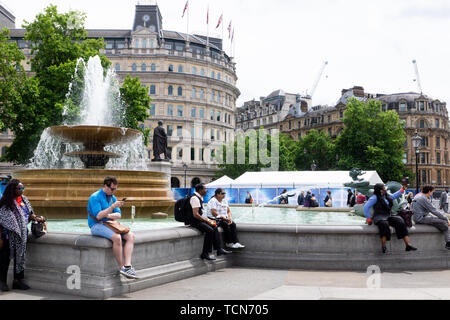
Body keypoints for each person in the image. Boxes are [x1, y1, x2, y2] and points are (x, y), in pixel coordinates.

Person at [87, 176, 137, 279]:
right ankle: (121, 267)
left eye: (115, 189)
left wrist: (108, 215)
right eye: (112, 189)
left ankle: (128, 266)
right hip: (96, 225)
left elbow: (119, 215)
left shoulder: (112, 197)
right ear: (105, 186)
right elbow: (98, 216)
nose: (113, 191)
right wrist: (112, 208)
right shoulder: (95, 197)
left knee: (131, 236)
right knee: (117, 237)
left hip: (109, 223)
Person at [0, 179, 44, 291]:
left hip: (22, 234)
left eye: (22, 188)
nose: (21, 190)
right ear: (12, 189)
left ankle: (17, 281)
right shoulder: (5, 202)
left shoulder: (24, 200)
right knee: (5, 259)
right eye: (19, 188)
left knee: (20, 258)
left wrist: (37, 218)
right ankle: (2, 282)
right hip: (7, 234)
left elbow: (29, 215)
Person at [363, 183, 417, 254]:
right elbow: (366, 207)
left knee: (400, 221)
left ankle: (408, 245)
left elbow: (394, 196)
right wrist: (369, 219)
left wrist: (403, 189)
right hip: (379, 216)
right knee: (384, 225)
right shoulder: (374, 197)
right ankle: (383, 246)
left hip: (389, 214)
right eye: (384, 188)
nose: (385, 189)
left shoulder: (387, 195)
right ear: (380, 190)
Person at [189, 183, 231, 260]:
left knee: (214, 226)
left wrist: (208, 220)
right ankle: (205, 253)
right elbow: (195, 214)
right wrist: (206, 220)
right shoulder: (195, 198)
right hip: (194, 221)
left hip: (199, 220)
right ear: (200, 190)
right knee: (209, 230)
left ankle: (219, 249)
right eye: (205, 189)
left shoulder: (199, 198)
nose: (206, 190)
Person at [412, 185, 450, 250]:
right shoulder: (423, 198)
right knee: (444, 223)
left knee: (441, 221)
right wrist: (446, 218)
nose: (432, 194)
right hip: (421, 218)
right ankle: (448, 243)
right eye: (432, 192)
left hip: (417, 217)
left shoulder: (417, 196)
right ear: (429, 191)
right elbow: (434, 211)